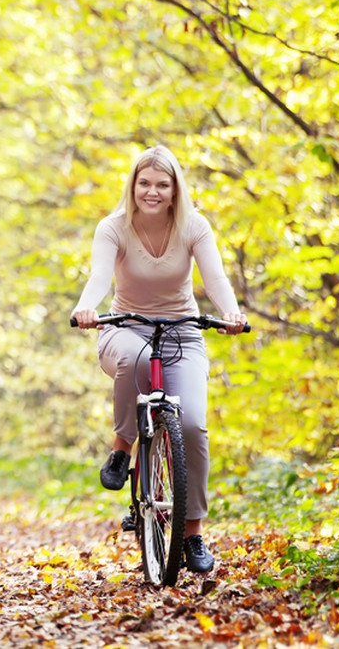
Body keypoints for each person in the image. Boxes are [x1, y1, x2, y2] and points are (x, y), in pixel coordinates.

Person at [70, 145, 247, 574]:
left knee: (191, 424)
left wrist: (231, 313)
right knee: (136, 358)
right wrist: (86, 308)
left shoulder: (194, 227)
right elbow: (98, 276)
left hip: (182, 331)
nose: (151, 192)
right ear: (132, 186)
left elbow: (215, 278)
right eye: (144, 183)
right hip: (125, 328)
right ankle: (121, 449)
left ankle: (192, 535)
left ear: (174, 190)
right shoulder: (113, 228)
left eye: (161, 185)